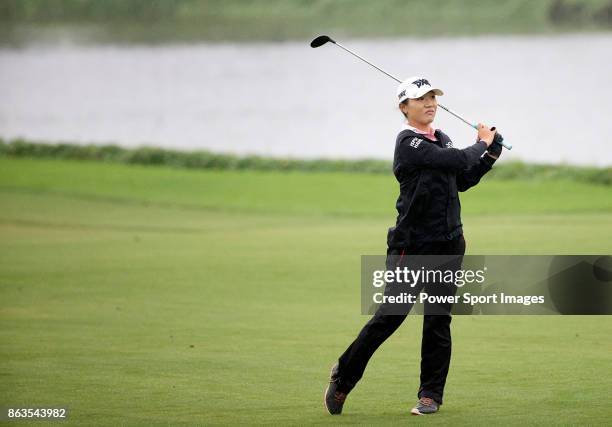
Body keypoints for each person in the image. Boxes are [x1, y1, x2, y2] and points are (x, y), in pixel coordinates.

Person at [324, 76, 502, 416]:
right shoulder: (409, 143)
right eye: (421, 99)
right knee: (390, 316)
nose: (430, 103)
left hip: (449, 243)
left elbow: (461, 178)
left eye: (433, 97)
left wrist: (490, 154)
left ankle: (430, 395)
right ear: (404, 107)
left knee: (438, 320)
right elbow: (454, 161)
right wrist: (481, 142)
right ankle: (343, 377)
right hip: (412, 246)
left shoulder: (443, 140)